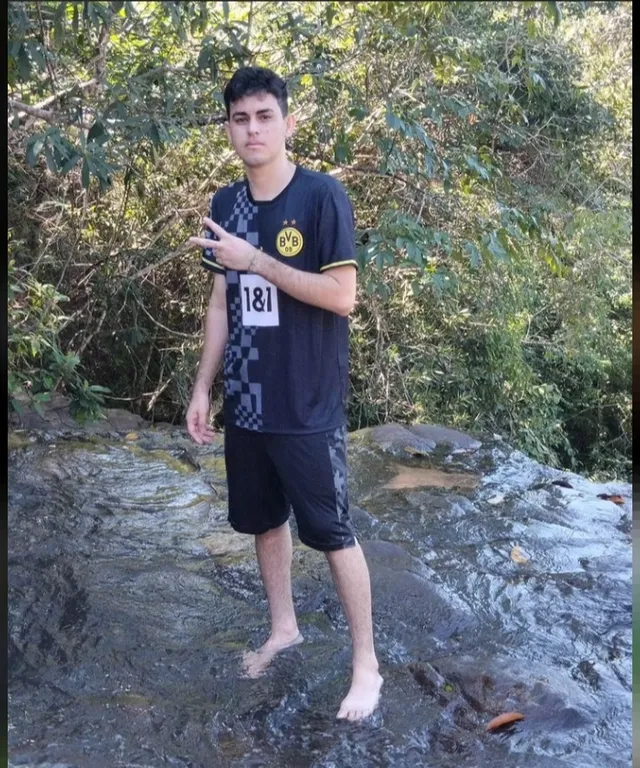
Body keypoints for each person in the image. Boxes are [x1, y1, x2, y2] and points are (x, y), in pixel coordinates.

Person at [186, 66, 382, 722]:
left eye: (265, 116)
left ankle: (366, 666)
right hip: (247, 398)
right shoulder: (224, 205)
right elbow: (221, 301)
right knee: (263, 521)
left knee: (330, 531)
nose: (252, 129)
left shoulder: (322, 197)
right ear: (228, 128)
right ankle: (283, 628)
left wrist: (259, 260)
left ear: (288, 123)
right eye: (240, 119)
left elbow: (342, 297)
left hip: (307, 400)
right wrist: (201, 387)